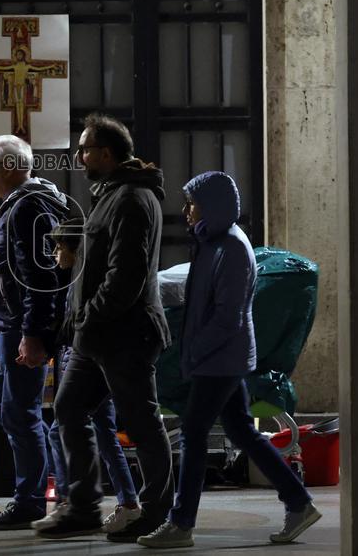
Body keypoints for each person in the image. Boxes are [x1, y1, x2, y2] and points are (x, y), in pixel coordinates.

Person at [137, 172, 321, 548]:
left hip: (221, 359)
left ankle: (181, 524)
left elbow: (228, 317)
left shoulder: (232, 249)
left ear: (214, 206)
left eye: (192, 204)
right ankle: (299, 502)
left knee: (192, 434)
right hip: (221, 357)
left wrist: (194, 352)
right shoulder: (212, 241)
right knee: (242, 432)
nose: (186, 211)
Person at [37, 113, 173, 542]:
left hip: (125, 335)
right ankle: (82, 507)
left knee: (142, 421)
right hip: (96, 335)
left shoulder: (133, 198)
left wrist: (88, 314)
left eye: (85, 149)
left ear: (107, 153)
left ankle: (154, 513)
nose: (79, 156)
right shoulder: (111, 194)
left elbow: (125, 278)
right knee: (68, 408)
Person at [0, 134, 69, 530]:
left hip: (20, 328)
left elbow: (38, 278)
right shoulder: (16, 205)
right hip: (7, 328)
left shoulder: (29, 208)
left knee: (21, 411)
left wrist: (33, 335)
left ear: (12, 168)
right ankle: (49, 464)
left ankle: (30, 500)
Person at [36, 218, 143, 536]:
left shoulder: (86, 281)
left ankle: (73, 501)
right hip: (85, 361)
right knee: (105, 436)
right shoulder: (77, 278)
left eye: (59, 246)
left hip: (86, 364)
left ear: (76, 248)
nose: (55, 253)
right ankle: (127, 503)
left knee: (60, 431)